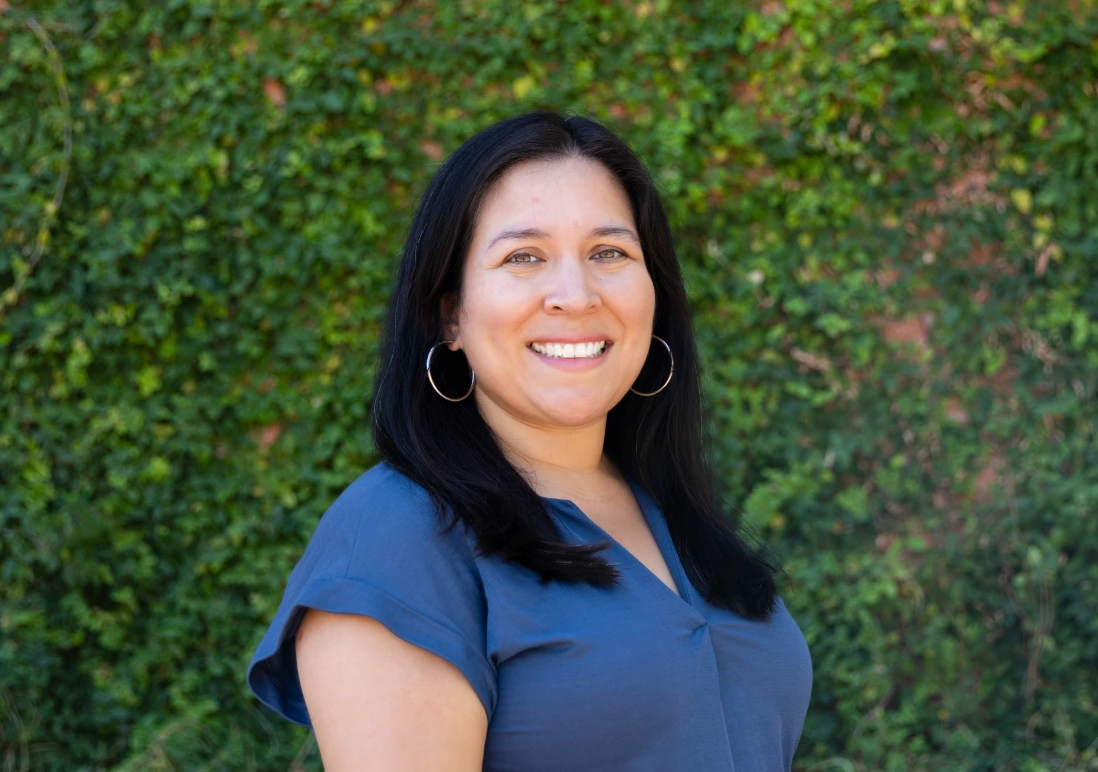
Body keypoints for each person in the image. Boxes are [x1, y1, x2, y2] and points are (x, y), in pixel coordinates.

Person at [247, 111, 812, 771]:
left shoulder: (666, 506)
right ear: (449, 313)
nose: (575, 296)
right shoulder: (394, 540)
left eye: (609, 253)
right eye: (524, 257)